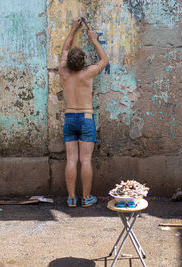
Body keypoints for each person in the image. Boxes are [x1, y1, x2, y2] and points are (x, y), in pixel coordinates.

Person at [59, 17, 109, 207]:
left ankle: (71, 198)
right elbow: (105, 60)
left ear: (69, 62)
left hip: (69, 117)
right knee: (85, 160)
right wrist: (94, 39)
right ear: (83, 62)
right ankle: (86, 198)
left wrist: (73, 28)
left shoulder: (63, 72)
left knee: (71, 159)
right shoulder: (88, 73)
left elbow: (64, 49)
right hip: (86, 118)